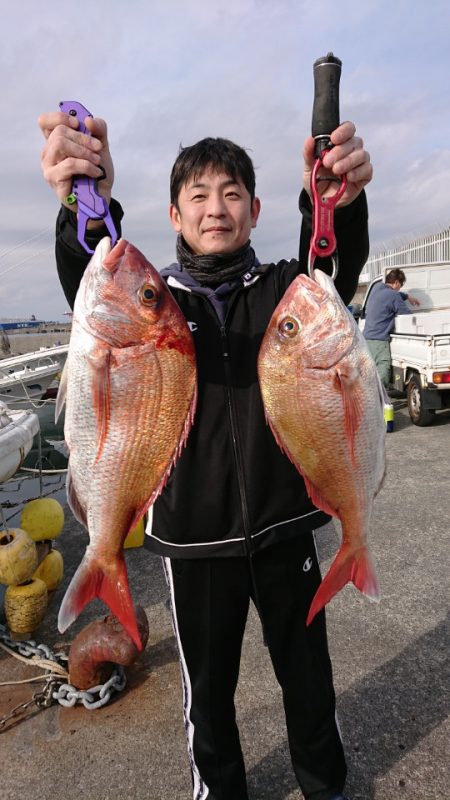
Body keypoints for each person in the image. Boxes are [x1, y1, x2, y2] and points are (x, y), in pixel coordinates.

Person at [38, 108, 373, 800]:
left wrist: (340, 195)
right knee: (209, 702)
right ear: (174, 213)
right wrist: (83, 195)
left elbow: (334, 259)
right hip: (194, 543)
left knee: (309, 683)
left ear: (254, 209)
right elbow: (92, 274)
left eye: (231, 194)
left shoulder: (289, 291)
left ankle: (327, 786)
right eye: (199, 195)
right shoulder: (157, 303)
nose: (215, 208)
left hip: (285, 532)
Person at [363, 268, 420, 387]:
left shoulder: (376, 288)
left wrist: (407, 296)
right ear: (397, 283)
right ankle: (379, 400)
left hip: (367, 340)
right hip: (379, 341)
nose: (400, 288)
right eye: (401, 285)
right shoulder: (393, 296)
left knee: (370, 373)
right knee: (383, 371)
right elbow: (406, 315)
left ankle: (369, 398)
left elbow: (391, 295)